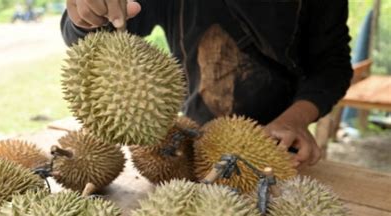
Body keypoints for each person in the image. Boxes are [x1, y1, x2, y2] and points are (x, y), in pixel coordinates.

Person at [60, 0, 353, 169]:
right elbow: (106, 26)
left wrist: (294, 120)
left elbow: (332, 65)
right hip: (190, 143)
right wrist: (87, 16)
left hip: (278, 146)